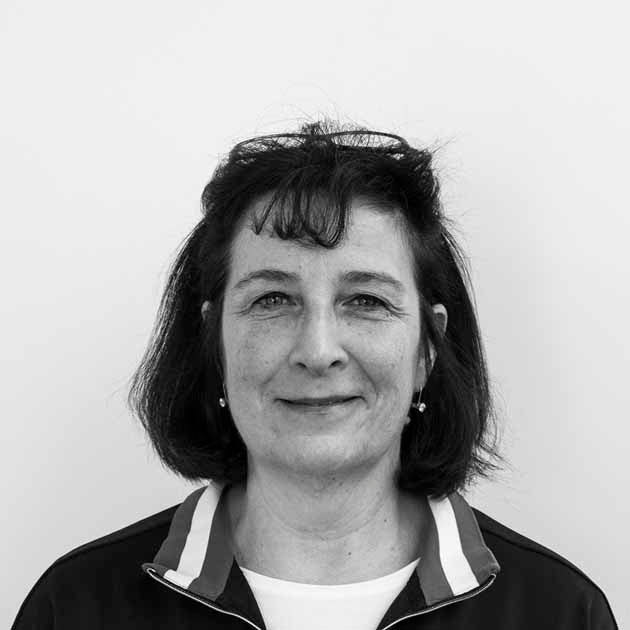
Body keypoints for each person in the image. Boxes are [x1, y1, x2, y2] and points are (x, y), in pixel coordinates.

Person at [12, 121, 618, 630]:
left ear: (427, 350)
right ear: (214, 341)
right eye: (273, 299)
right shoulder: (75, 608)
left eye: (366, 301)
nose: (318, 351)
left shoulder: (561, 613)